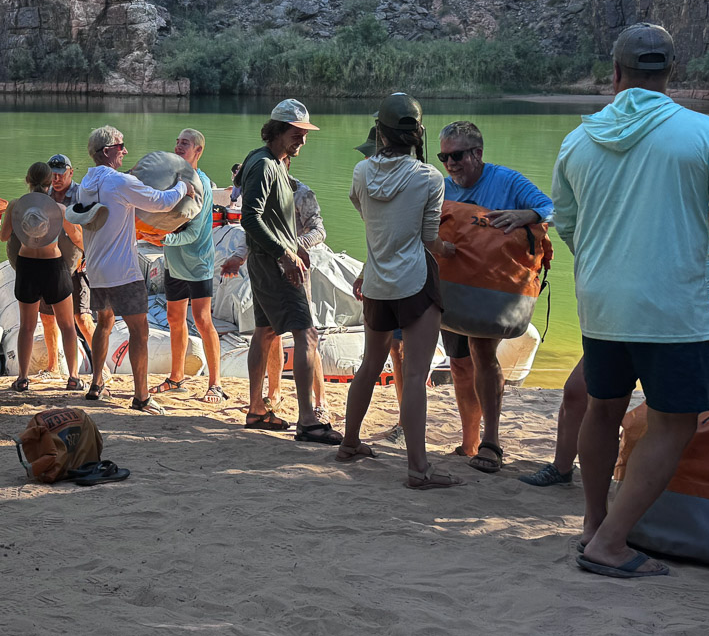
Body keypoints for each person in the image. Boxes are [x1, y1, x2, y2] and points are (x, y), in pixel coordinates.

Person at [552, 22, 709, 578]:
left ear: (615, 74)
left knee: (602, 408)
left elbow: (567, 225)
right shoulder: (702, 134)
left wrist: (608, 261)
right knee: (675, 423)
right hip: (673, 308)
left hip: (602, 304)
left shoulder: (578, 140)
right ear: (671, 73)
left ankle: (594, 522)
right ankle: (612, 543)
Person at [520, 219, 709, 487]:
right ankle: (562, 469)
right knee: (576, 392)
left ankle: (663, 484)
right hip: (623, 325)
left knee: (663, 416)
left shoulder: (706, 223)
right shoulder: (632, 210)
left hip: (675, 334)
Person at [342, 94, 461, 487]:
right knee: (413, 376)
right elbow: (429, 239)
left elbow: (369, 219)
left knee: (369, 365)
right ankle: (418, 468)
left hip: (376, 283)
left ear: (380, 132)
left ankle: (349, 442)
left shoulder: (361, 172)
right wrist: (450, 249)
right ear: (417, 134)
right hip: (414, 283)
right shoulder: (429, 177)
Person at [437, 119, 554, 472]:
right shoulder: (441, 187)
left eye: (457, 155)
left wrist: (524, 214)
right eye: (443, 157)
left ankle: (492, 441)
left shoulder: (508, 181)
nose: (450, 164)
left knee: (483, 353)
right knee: (458, 364)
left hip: (490, 291)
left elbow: (549, 207)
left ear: (478, 153)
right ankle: (469, 440)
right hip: (451, 289)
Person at [237, 98, 339, 444]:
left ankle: (255, 409)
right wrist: (284, 254)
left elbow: (268, 219)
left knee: (265, 333)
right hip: (275, 266)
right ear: (278, 130)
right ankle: (308, 420)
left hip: (267, 262)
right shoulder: (265, 165)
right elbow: (249, 218)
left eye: (305, 134)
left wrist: (293, 248)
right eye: (297, 133)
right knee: (307, 335)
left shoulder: (272, 162)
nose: (303, 141)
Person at [72, 125, 193, 415]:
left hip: (97, 269)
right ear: (107, 151)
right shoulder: (118, 182)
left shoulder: (86, 184)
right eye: (121, 146)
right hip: (124, 271)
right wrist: (183, 187)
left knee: (104, 323)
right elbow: (160, 202)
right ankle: (141, 396)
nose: (125, 151)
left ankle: (96, 384)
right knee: (140, 331)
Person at [221, 161, 329, 417]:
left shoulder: (302, 193)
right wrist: (238, 257)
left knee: (306, 332)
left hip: (295, 271)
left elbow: (319, 230)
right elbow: (253, 231)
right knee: (269, 332)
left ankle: (321, 401)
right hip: (267, 272)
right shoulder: (259, 192)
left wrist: (294, 245)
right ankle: (274, 394)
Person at [152, 128, 224, 403]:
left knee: (203, 321)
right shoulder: (174, 182)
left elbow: (194, 232)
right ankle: (176, 377)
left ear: (198, 151)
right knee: (174, 319)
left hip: (198, 264)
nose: (179, 146)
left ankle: (215, 384)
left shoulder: (201, 184)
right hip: (174, 263)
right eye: (178, 141)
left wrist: (163, 239)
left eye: (186, 143)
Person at [0, 162, 83, 393]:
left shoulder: (16, 205)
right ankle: (74, 377)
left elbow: (4, 236)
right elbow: (77, 238)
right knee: (67, 325)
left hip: (27, 266)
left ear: (27, 180)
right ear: (50, 183)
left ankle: (23, 378)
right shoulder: (60, 209)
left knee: (27, 326)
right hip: (53, 266)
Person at [38, 153, 93, 381]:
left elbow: (91, 228)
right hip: (49, 264)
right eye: (53, 174)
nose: (57, 178)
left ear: (71, 172)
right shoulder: (42, 195)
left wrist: (88, 254)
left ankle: (103, 365)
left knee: (82, 318)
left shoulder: (82, 195)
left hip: (77, 263)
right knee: (47, 317)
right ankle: (53, 367)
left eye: (61, 174)